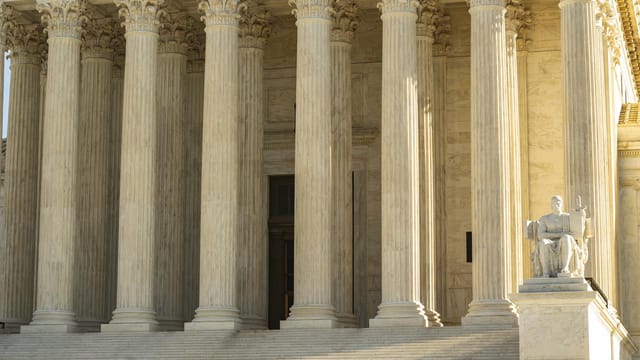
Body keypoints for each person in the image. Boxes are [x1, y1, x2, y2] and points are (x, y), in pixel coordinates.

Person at [536, 195, 576, 278]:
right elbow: (540, 235)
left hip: (564, 241)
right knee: (543, 242)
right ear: (551, 205)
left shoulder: (567, 217)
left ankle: (565, 268)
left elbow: (576, 231)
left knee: (567, 238)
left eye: (559, 202)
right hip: (549, 242)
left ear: (562, 204)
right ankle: (546, 272)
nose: (557, 204)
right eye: (554, 202)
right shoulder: (544, 219)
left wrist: (580, 212)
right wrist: (558, 234)